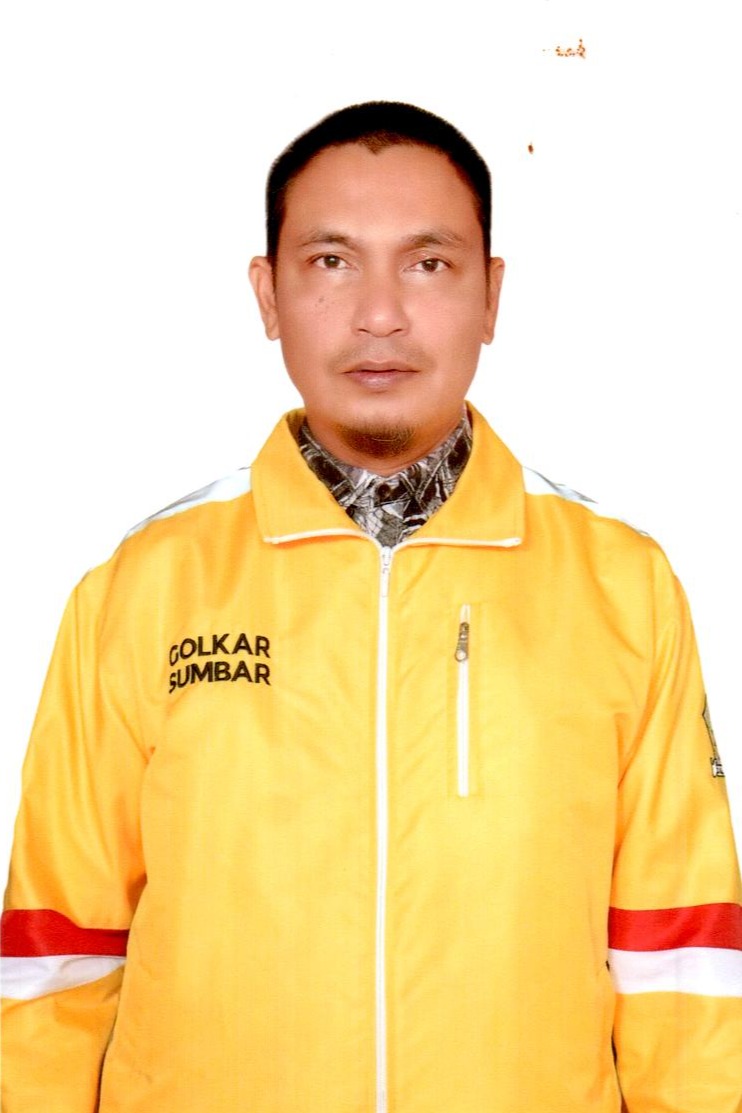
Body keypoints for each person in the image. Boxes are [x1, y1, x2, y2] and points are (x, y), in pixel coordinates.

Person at [1, 101, 740, 1113]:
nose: (380, 315)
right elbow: (54, 958)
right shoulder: (142, 585)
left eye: (429, 264)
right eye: (331, 262)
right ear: (268, 293)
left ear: (491, 295)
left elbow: (683, 961)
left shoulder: (623, 585)